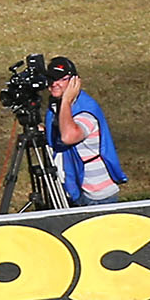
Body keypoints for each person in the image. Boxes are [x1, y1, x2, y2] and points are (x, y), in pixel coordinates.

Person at [44, 56, 126, 205]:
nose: (55, 84)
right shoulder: (57, 106)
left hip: (97, 194)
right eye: (51, 79)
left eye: (62, 79)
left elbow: (68, 137)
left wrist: (66, 100)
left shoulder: (85, 111)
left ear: (75, 82)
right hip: (74, 188)